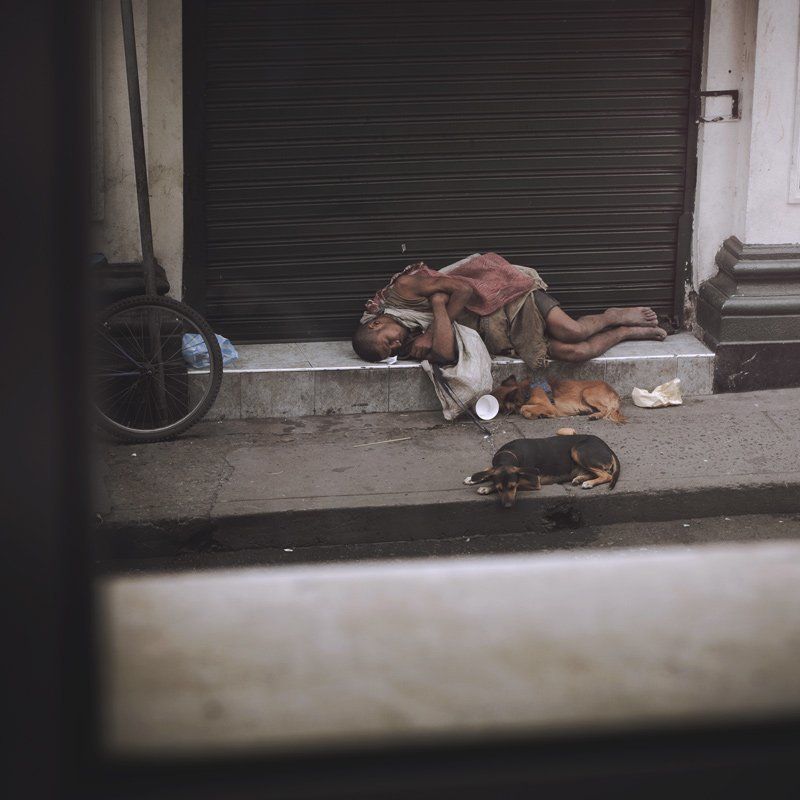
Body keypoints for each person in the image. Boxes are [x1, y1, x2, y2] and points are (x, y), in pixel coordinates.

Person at [352, 254, 667, 366]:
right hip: (497, 329)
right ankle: (625, 333)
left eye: (388, 341)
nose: (397, 345)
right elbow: (445, 354)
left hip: (507, 294)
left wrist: (433, 328)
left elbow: (463, 289)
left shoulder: (404, 289)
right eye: (392, 351)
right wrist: (435, 317)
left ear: (376, 324)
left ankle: (613, 315)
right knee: (575, 352)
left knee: (572, 331)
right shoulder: (408, 336)